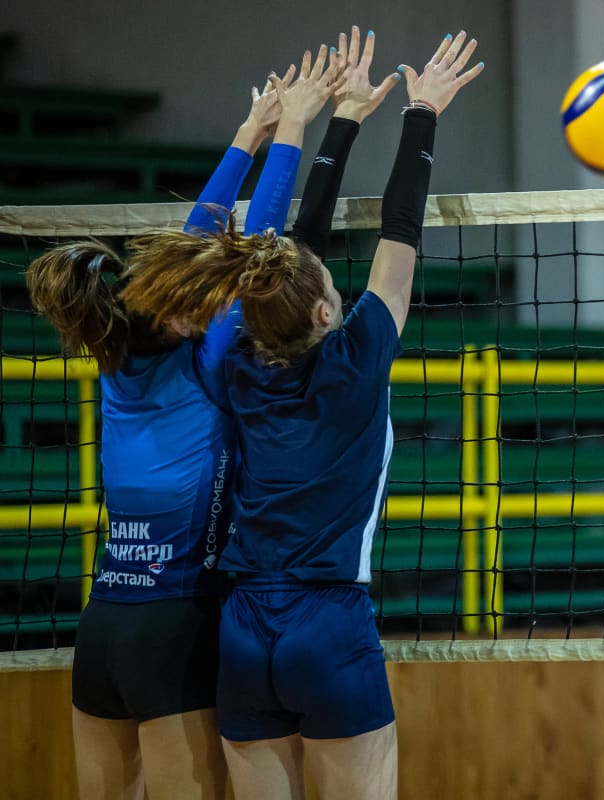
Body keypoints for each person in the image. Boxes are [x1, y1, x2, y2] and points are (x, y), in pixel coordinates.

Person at [120, 30, 485, 800]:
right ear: (325, 311)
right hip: (329, 623)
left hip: (244, 626)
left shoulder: (235, 364)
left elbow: (291, 260)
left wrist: (346, 121)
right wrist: (421, 114)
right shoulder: (356, 361)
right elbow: (400, 232)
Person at [24, 45, 337, 800]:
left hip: (103, 628)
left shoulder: (115, 357)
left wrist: (250, 132)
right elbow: (254, 249)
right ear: (172, 317)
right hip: (174, 627)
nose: (201, 299)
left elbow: (193, 251)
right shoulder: (207, 360)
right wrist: (291, 131)